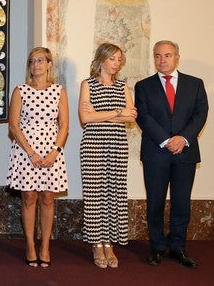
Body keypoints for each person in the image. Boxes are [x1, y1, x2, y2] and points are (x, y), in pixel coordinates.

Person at [135, 40, 208, 268]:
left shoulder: (195, 84)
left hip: (185, 152)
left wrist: (182, 138)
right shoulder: (143, 86)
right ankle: (157, 247)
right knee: (155, 202)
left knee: (181, 203)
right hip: (156, 153)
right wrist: (166, 140)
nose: (162, 60)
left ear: (177, 57)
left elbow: (200, 113)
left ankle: (178, 247)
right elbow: (143, 116)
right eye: (157, 56)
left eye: (167, 55)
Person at [7, 47, 69, 268]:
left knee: (47, 198)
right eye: (32, 61)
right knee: (29, 197)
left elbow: (64, 126)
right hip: (26, 151)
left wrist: (55, 151)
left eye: (40, 60)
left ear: (49, 64)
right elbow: (13, 125)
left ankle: (45, 246)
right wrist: (31, 153)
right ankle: (30, 245)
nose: (36, 65)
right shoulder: (20, 90)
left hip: (51, 151)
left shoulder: (59, 90)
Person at [78, 42, 137, 269]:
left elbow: (131, 118)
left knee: (114, 193)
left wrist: (102, 114)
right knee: (94, 194)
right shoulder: (88, 84)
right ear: (101, 59)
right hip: (93, 144)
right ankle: (96, 243)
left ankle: (109, 243)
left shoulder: (122, 86)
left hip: (117, 145)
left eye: (119, 59)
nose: (116, 63)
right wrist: (117, 112)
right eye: (112, 58)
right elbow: (85, 118)